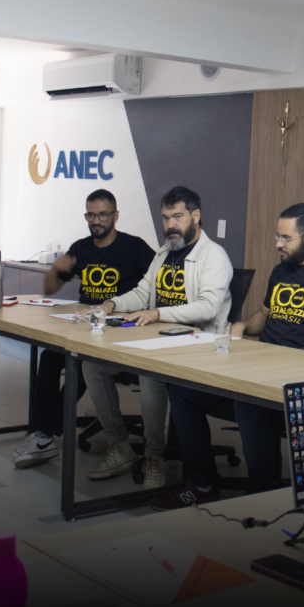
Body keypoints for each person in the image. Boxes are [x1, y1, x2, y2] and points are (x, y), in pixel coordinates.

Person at [150, 202, 304, 510]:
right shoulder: (281, 271)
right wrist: (243, 325)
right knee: (183, 392)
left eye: (285, 238)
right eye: (277, 236)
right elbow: (266, 312)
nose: (278, 243)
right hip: (261, 369)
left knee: (248, 407)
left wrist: (303, 355)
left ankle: (260, 496)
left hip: (299, 383)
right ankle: (201, 482)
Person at [84, 186, 233, 489]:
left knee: (150, 372)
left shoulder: (214, 256)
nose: (169, 226)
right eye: (165, 218)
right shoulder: (165, 253)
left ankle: (154, 456)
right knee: (92, 364)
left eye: (176, 217)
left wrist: (157, 314)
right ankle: (120, 445)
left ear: (196, 216)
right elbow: (142, 292)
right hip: (158, 339)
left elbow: (207, 308)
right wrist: (112, 303)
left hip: (197, 346)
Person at [12, 189, 154, 469]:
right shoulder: (82, 247)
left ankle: (44, 434)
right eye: (91, 215)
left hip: (119, 327)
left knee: (78, 361)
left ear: (115, 215)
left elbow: (157, 283)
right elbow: (50, 288)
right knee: (49, 356)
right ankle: (42, 432)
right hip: (84, 322)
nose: (96, 220)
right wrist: (56, 269)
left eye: (102, 214)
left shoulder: (134, 247)